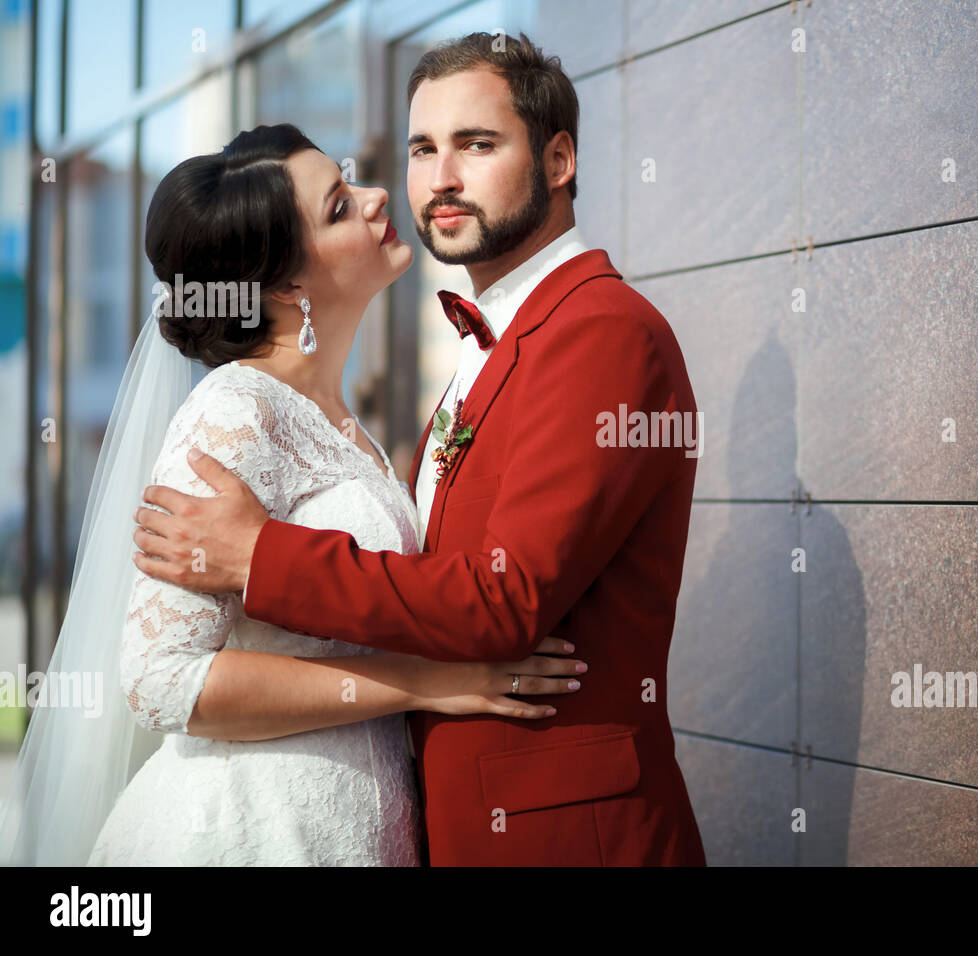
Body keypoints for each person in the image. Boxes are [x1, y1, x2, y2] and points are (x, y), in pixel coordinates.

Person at [130, 33, 708, 866]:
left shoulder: (602, 333)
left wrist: (263, 557)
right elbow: (160, 671)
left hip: (565, 832)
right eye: (422, 149)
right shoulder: (476, 353)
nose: (438, 179)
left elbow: (504, 600)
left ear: (558, 159)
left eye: (477, 145)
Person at [0, 122, 586, 866]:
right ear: (284, 286)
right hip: (248, 834)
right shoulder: (234, 412)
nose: (379, 199)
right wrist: (420, 683)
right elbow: (160, 680)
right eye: (340, 207)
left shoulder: (343, 424)